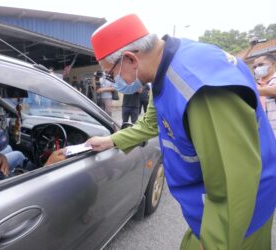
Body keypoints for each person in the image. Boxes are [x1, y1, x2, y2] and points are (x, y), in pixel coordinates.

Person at [87, 14, 276, 249]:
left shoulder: (198, 87)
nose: (114, 81)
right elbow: (151, 123)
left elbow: (234, 178)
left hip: (241, 214)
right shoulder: (165, 69)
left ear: (130, 59)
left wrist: (217, 240)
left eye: (111, 73)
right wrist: (110, 141)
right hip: (209, 204)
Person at [254, 53, 276, 136]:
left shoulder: (254, 86)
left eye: (260, 65)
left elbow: (273, 91)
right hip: (264, 132)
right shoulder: (256, 84)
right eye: (254, 67)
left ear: (273, 63)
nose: (257, 68)